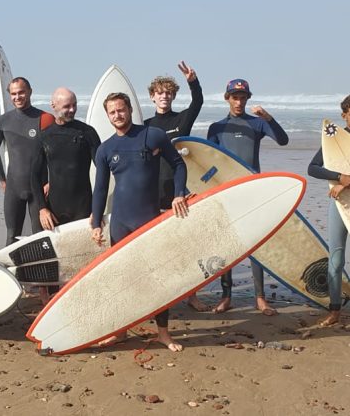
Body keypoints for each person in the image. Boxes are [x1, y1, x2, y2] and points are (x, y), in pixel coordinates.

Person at [91, 92, 189, 351]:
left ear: (130, 110)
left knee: (157, 278)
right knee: (120, 278)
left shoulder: (152, 135)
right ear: (107, 115)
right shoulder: (105, 149)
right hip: (120, 222)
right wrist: (96, 222)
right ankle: (121, 331)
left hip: (148, 219)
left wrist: (179, 194)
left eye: (121, 110)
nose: (117, 115)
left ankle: (163, 334)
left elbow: (178, 164)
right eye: (112, 112)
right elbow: (100, 189)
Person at [207, 79, 289, 315]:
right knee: (226, 244)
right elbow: (208, 163)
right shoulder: (217, 128)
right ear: (227, 98)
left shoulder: (257, 124)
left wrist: (268, 118)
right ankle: (226, 297)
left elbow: (283, 140)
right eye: (235, 97)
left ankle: (260, 298)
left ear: (247, 99)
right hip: (227, 193)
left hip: (253, 191)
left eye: (243, 98)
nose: (239, 102)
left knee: (255, 245)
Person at [144, 61, 208, 312]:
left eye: (168, 93)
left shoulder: (181, 121)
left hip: (179, 191)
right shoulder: (145, 126)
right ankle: (159, 294)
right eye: (160, 93)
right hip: (153, 192)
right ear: (152, 96)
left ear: (173, 96)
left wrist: (193, 82)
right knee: (156, 246)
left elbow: (198, 103)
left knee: (188, 245)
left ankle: (192, 295)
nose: (164, 97)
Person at [0, 77, 53, 244]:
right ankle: (11, 263)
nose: (17, 97)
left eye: (21, 92)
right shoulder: (2, 121)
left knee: (41, 237)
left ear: (30, 92)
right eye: (13, 94)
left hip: (40, 189)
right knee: (12, 235)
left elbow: (55, 154)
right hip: (14, 188)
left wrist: (50, 181)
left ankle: (42, 262)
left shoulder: (45, 118)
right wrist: (3, 180)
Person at [31, 87, 101, 231]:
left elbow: (102, 170)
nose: (72, 110)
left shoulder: (87, 133)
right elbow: (34, 175)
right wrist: (42, 209)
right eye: (67, 106)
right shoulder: (45, 136)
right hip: (54, 209)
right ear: (53, 105)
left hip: (83, 208)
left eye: (74, 105)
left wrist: (97, 208)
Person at [307, 94, 350, 326]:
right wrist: (338, 177)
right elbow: (313, 168)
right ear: (344, 115)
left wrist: (345, 183)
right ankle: (334, 310)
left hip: (343, 195)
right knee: (336, 258)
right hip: (339, 205)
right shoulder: (334, 141)